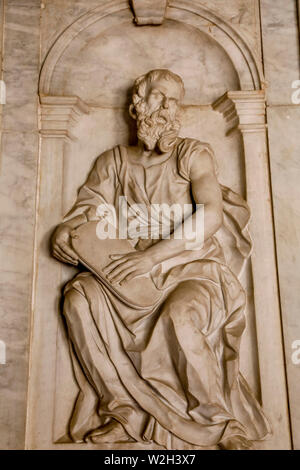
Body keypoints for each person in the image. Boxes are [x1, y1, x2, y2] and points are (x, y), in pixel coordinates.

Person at [51, 69, 271, 450]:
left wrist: (153, 259)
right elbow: (89, 210)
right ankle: (124, 412)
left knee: (180, 315)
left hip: (191, 270)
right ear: (137, 105)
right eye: (158, 96)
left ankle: (218, 422)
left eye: (174, 100)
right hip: (128, 274)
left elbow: (211, 215)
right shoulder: (114, 162)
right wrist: (64, 234)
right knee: (78, 297)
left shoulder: (193, 154)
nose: (167, 106)